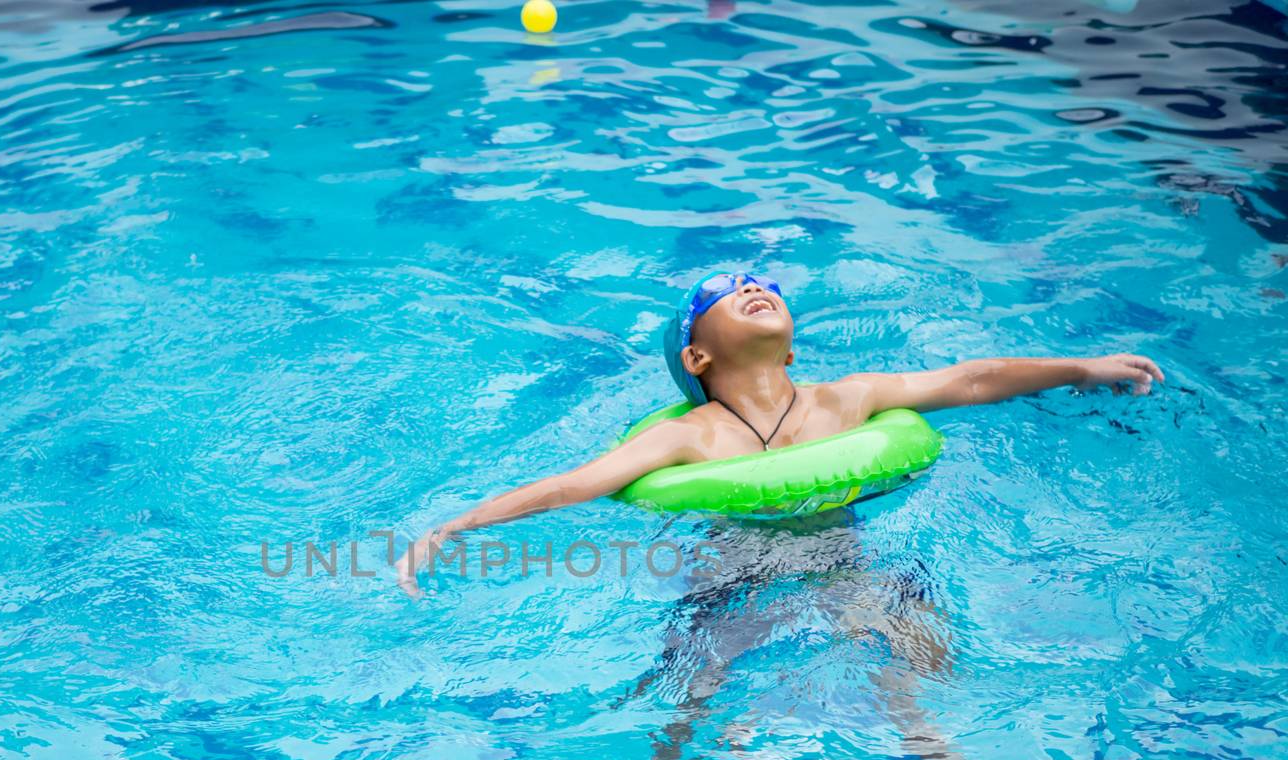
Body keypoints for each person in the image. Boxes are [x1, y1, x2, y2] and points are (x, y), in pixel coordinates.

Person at [395, 271, 1163, 597]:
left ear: (792, 345)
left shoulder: (848, 400)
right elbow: (576, 483)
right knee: (694, 693)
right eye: (722, 294)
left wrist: (1082, 366)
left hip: (847, 554)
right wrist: (453, 526)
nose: (750, 286)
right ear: (697, 356)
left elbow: (972, 379)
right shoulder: (692, 438)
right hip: (731, 572)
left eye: (760, 284)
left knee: (903, 654)